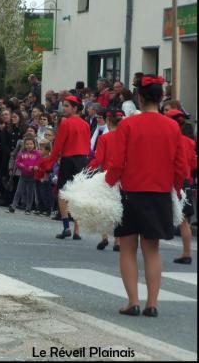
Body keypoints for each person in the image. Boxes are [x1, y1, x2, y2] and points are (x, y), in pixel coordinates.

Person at [105, 74, 187, 317]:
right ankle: (152, 303)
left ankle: (133, 302)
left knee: (128, 248)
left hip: (131, 191)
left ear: (139, 97)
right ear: (161, 97)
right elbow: (180, 166)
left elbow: (117, 162)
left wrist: (108, 184)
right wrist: (177, 188)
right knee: (152, 250)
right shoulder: (172, 126)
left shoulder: (128, 124)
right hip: (160, 193)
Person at [44, 95, 90, 240]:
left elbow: (58, 145)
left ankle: (66, 227)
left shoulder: (66, 123)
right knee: (78, 194)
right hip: (82, 160)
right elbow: (88, 145)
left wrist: (49, 162)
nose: (63, 108)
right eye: (64, 105)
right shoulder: (86, 124)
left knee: (62, 193)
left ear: (75, 108)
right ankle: (77, 230)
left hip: (69, 159)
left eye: (66, 106)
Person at [87, 108, 124, 251]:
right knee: (119, 208)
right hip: (122, 177)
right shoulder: (125, 138)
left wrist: (88, 169)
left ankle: (104, 237)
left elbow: (99, 159)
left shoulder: (104, 138)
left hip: (106, 177)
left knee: (104, 207)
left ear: (108, 121)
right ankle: (118, 240)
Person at [165, 109, 196, 265]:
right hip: (185, 182)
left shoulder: (167, 140)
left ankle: (150, 251)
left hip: (168, 181)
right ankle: (187, 253)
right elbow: (194, 164)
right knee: (185, 221)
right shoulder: (190, 142)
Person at [16, 136, 41, 214]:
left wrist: (34, 167)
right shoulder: (21, 153)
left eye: (31, 144)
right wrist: (22, 165)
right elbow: (17, 162)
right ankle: (13, 206)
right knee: (19, 191)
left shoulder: (37, 153)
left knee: (30, 193)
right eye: (27, 144)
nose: (29, 145)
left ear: (34, 144)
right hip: (23, 175)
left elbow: (38, 162)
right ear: (24, 145)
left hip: (32, 176)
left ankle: (28, 208)